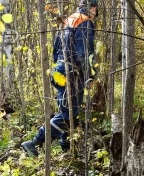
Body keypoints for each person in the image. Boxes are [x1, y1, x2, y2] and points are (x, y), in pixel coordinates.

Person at [21, 0, 98, 156]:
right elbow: (84, 54)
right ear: (93, 8)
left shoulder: (68, 20)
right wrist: (89, 75)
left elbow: (55, 51)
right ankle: (34, 142)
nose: (95, 14)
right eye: (96, 11)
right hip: (72, 73)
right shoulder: (85, 23)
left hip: (59, 71)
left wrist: (60, 68)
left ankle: (65, 145)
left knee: (66, 110)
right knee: (69, 112)